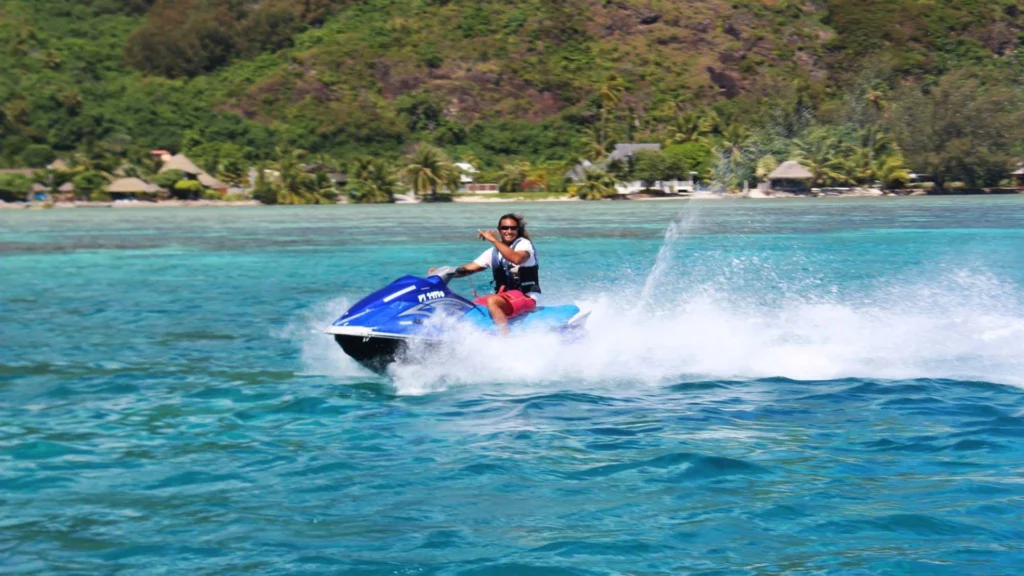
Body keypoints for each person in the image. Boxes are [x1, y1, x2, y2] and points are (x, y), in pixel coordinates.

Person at [431, 213, 540, 335]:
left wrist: (494, 240)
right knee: (470, 306)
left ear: (518, 230)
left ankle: (506, 340)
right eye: (505, 228)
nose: (509, 231)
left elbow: (517, 259)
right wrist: (441, 272)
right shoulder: (492, 253)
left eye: (513, 228)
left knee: (492, 301)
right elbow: (467, 269)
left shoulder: (524, 244)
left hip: (526, 297)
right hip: (505, 298)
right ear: (499, 230)